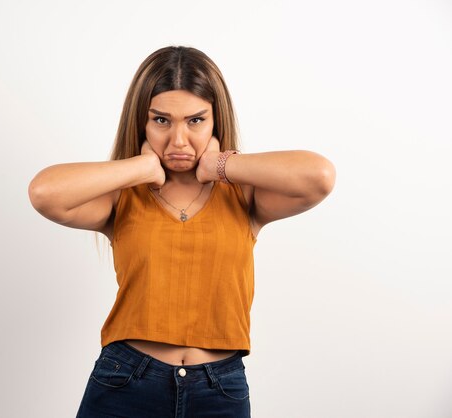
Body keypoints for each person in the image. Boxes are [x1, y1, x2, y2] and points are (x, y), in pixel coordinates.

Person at [28, 46, 335, 418]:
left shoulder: (244, 194)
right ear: (141, 122)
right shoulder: (121, 197)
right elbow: (45, 193)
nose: (178, 141)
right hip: (125, 381)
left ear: (215, 120)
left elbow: (319, 177)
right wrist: (142, 168)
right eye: (161, 121)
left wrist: (219, 166)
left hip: (219, 389)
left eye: (195, 121)